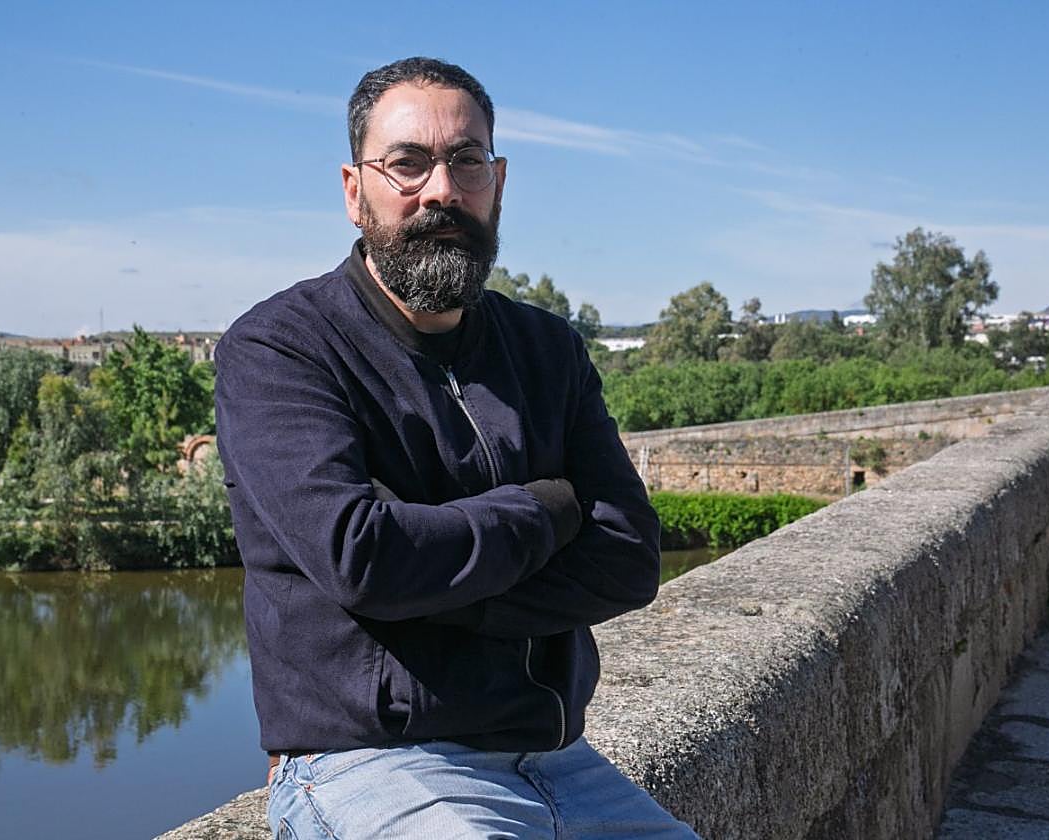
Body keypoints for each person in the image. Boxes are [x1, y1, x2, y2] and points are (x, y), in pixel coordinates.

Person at [215, 56, 698, 839]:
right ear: (353, 190)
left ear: (497, 183)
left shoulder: (547, 349)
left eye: (465, 161)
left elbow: (630, 556)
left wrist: (422, 599)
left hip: (560, 758)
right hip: (371, 761)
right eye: (407, 163)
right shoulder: (281, 348)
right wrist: (546, 510)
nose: (440, 189)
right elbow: (361, 556)